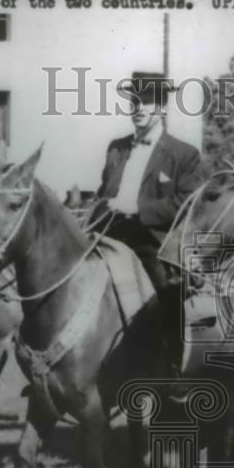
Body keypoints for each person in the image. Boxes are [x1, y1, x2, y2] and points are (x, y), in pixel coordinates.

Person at [93, 71, 203, 379]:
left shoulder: (184, 155)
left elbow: (187, 204)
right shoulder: (116, 149)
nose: (139, 108)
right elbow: (103, 194)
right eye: (135, 101)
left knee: (164, 297)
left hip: (152, 244)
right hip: (109, 238)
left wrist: (136, 208)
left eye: (147, 102)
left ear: (162, 109)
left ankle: (172, 371)